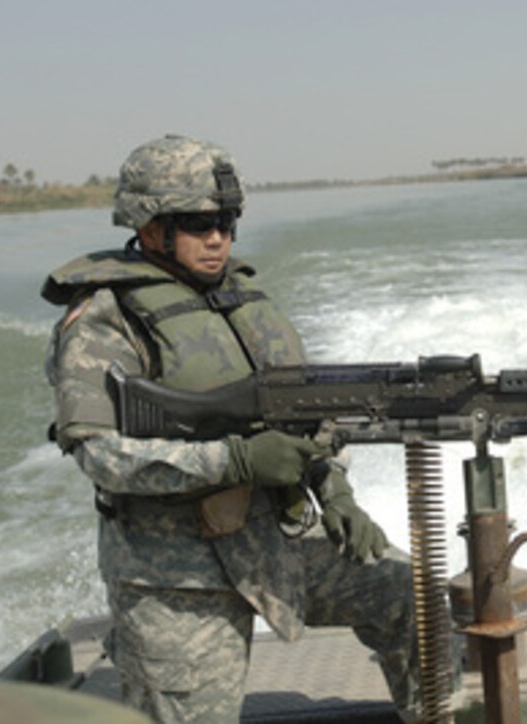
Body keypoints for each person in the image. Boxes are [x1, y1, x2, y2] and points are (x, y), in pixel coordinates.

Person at [42, 135, 420, 723]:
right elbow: (100, 455)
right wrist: (235, 462)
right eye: (197, 223)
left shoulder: (245, 302)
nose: (217, 237)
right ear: (148, 228)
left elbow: (305, 425)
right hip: (174, 573)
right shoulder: (103, 320)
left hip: (279, 540)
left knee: (415, 600)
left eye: (227, 221)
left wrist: (336, 492)